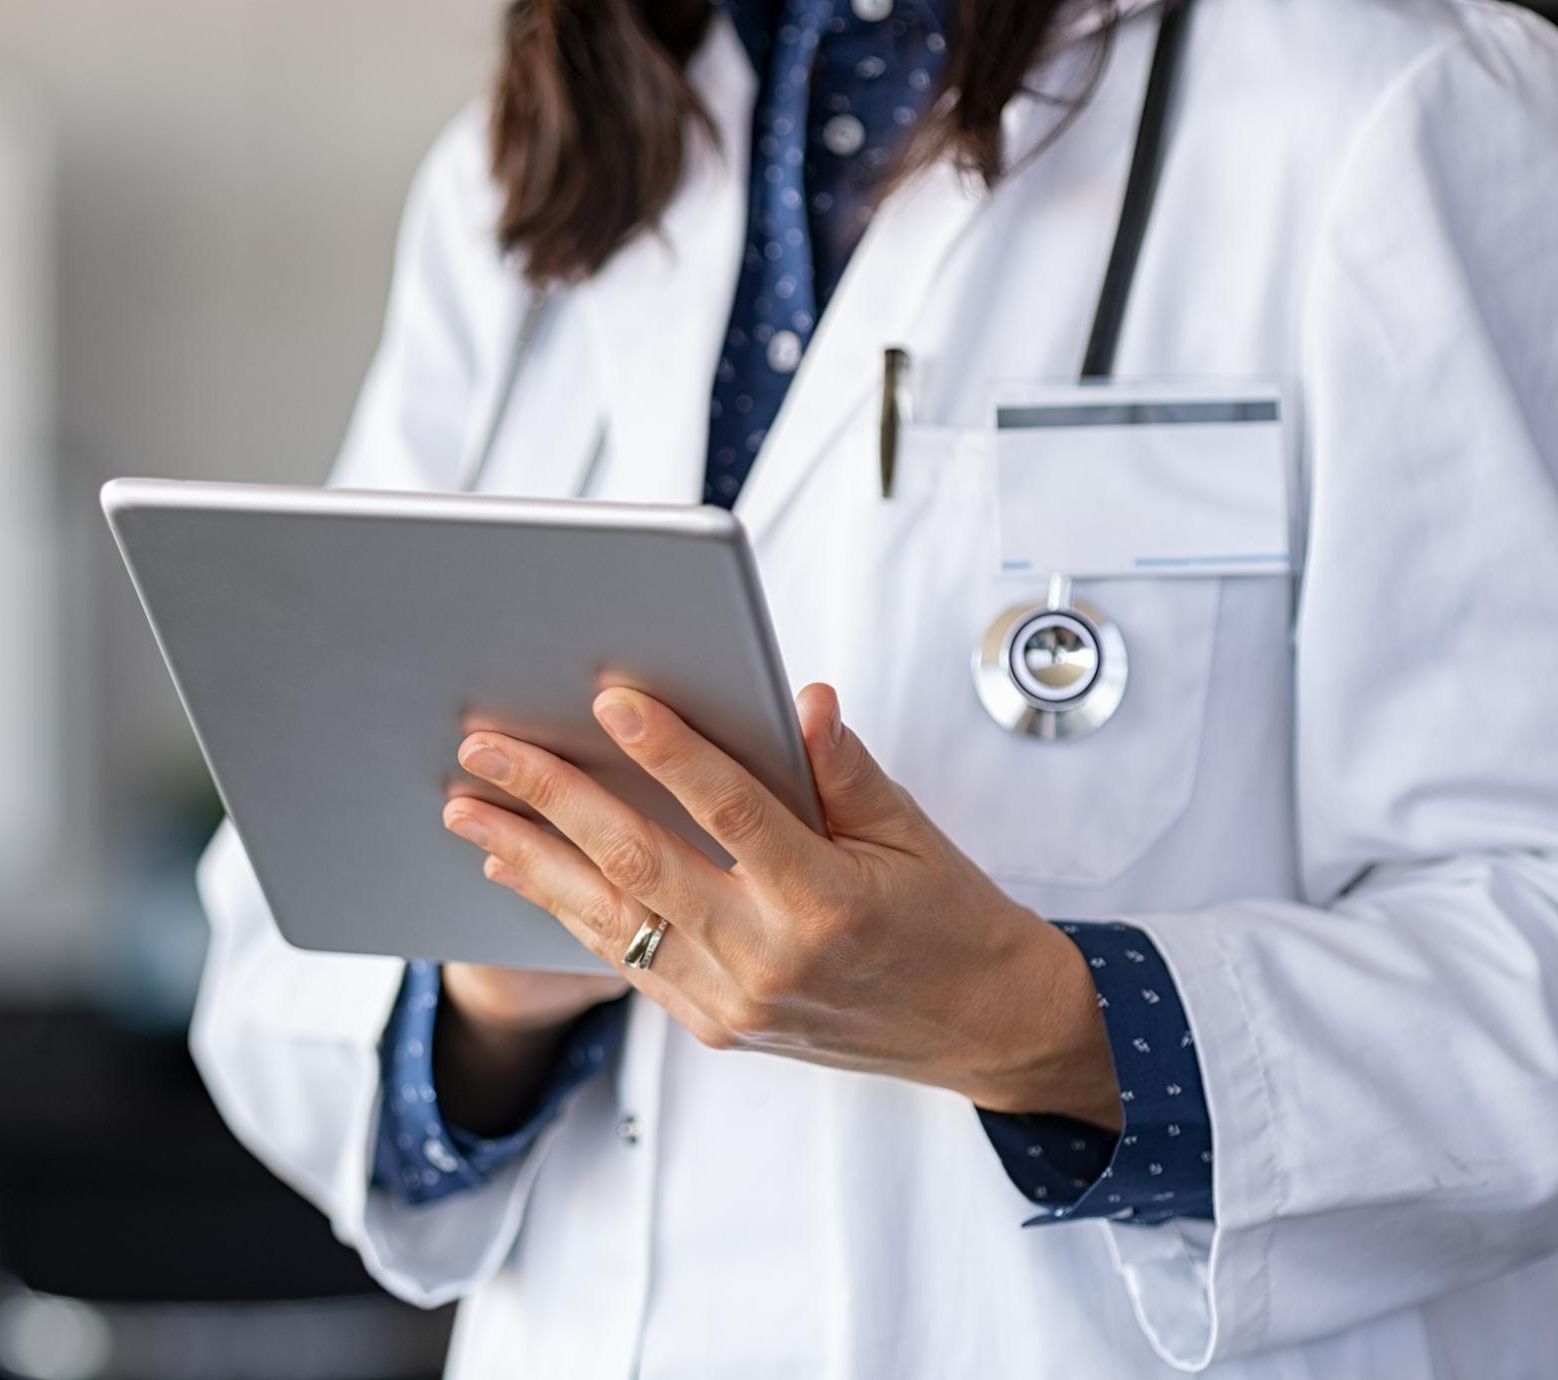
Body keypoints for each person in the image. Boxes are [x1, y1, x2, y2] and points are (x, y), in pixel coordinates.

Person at [189, 0, 1558, 1373]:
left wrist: (1043, 1025)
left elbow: (1531, 952)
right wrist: (493, 994)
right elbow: (280, 947)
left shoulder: (1407, 99)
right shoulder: (529, 165)